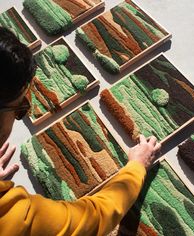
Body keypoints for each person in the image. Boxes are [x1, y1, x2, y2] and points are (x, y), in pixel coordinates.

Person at [0, 26, 161, 235]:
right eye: (21, 109)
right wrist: (138, 166)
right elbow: (96, 216)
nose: (19, 117)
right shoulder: (15, 217)